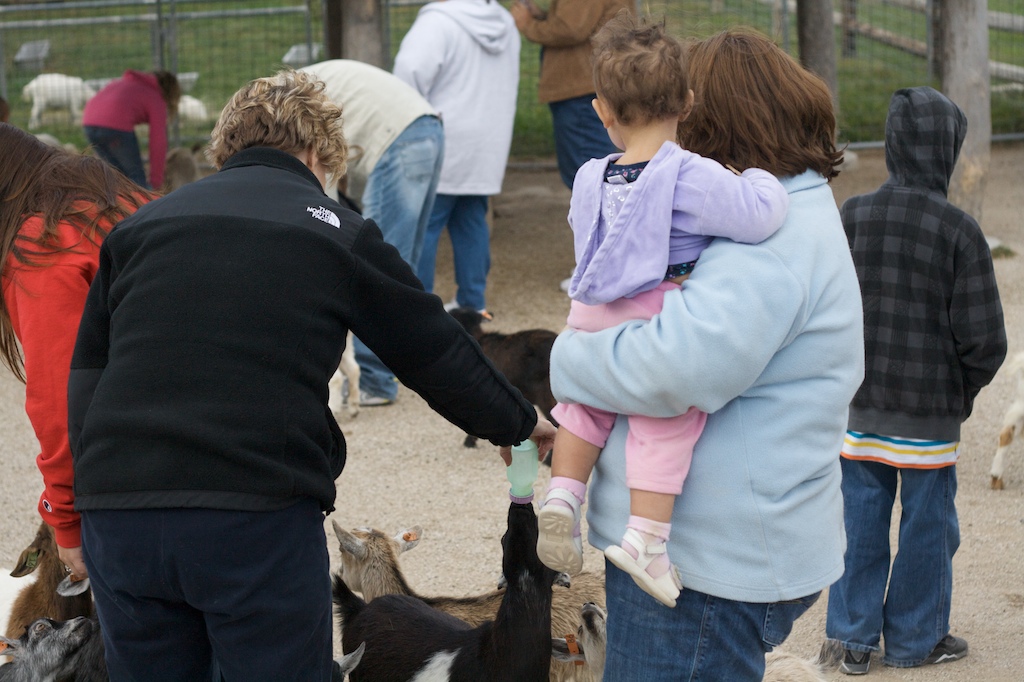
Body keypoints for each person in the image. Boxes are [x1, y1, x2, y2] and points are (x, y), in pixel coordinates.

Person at [67, 69, 556, 680]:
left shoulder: (137, 228)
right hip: (251, 510)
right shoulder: (334, 231)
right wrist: (516, 421)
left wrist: (75, 507)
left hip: (120, 512)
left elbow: (86, 376)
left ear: (226, 149)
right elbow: (431, 348)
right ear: (320, 154)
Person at [548, 27, 864, 680]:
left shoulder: (768, 243)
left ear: (704, 120)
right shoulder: (778, 210)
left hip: (707, 570)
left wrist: (566, 361)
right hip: (724, 548)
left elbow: (675, 368)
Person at [534, 15, 789, 610]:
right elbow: (758, 216)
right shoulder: (689, 175)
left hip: (591, 312)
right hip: (653, 312)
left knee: (583, 409)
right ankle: (646, 537)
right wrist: (758, 177)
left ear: (602, 111)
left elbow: (583, 234)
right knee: (665, 415)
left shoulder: (589, 175)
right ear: (688, 102)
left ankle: (563, 498)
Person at [822, 86, 1006, 675]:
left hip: (858, 409)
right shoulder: (960, 230)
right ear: (947, 150)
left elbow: (827, 312)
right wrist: (961, 395)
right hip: (928, 415)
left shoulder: (850, 215)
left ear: (895, 144)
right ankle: (914, 640)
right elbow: (986, 342)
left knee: (858, 522)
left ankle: (850, 641)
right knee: (929, 528)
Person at [0, 123, 154, 582]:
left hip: (144, 478)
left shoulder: (41, 240)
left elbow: (60, 395)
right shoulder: (124, 199)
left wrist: (65, 520)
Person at [300, 58, 445, 406]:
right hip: (427, 129)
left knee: (374, 265)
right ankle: (423, 365)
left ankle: (374, 380)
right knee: (402, 261)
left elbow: (322, 191)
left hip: (397, 138)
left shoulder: (290, 112)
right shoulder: (300, 87)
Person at [393, 0, 520, 318]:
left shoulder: (437, 22)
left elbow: (407, 74)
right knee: (471, 221)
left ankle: (419, 310)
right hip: (486, 140)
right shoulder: (505, 23)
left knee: (425, 225)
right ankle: (473, 303)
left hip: (438, 135)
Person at [81, 70, 181, 190]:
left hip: (89, 123)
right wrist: (156, 182)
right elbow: (158, 142)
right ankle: (143, 205)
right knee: (136, 179)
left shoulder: (122, 83)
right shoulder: (155, 96)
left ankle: (116, 204)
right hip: (115, 127)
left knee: (114, 175)